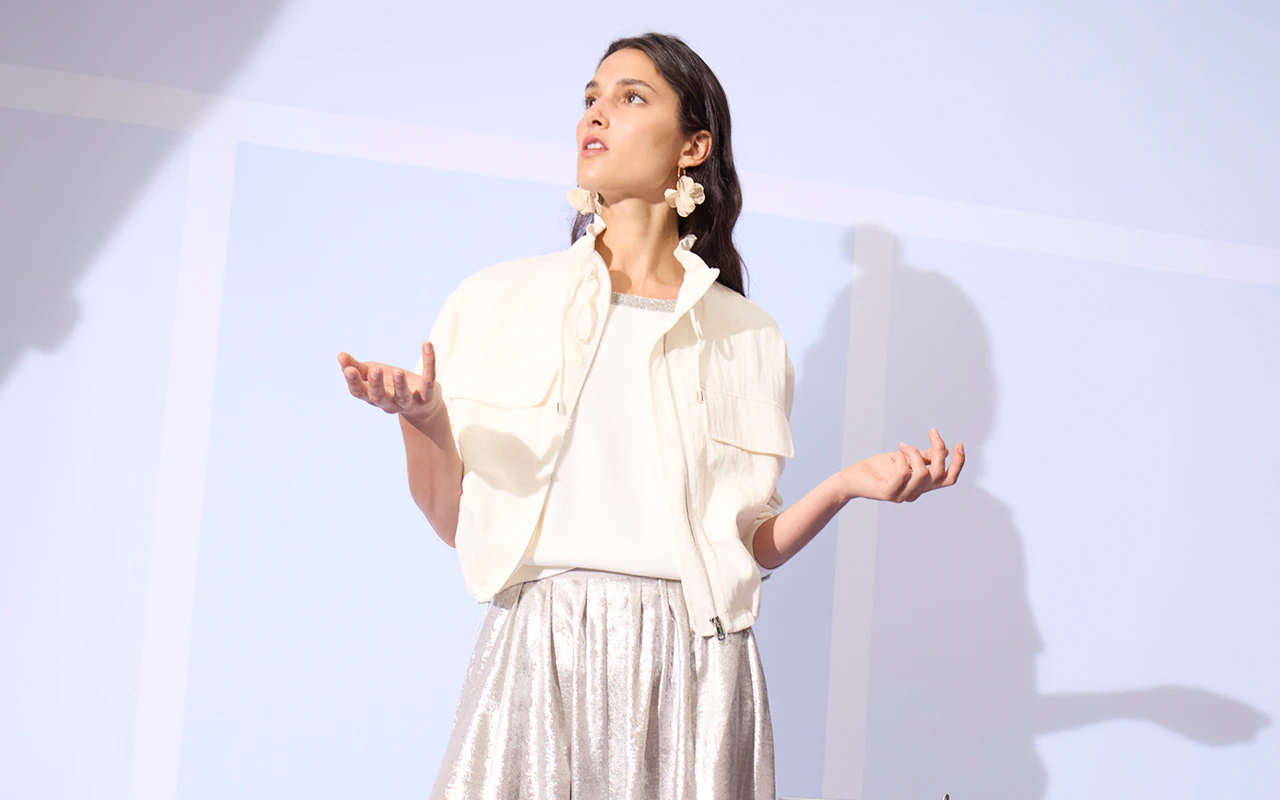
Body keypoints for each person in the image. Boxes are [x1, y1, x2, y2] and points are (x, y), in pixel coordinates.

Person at [337, 31, 964, 799]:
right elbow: (455, 523)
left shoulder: (749, 335)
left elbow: (745, 548)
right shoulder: (497, 300)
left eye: (630, 97)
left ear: (693, 147)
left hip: (699, 666)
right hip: (543, 653)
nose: (595, 115)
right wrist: (424, 419)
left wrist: (841, 487)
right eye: (590, 98)